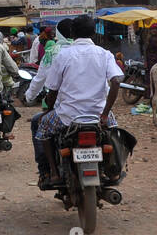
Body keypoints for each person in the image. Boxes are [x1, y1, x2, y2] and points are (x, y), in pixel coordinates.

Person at [32, 15, 123, 189]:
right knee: (113, 132)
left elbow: (53, 90)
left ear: (72, 33)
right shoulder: (105, 54)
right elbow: (116, 81)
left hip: (68, 116)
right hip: (98, 116)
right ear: (94, 32)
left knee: (42, 127)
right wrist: (104, 113)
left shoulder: (64, 55)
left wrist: (48, 110)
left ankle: (52, 172)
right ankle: (113, 169)